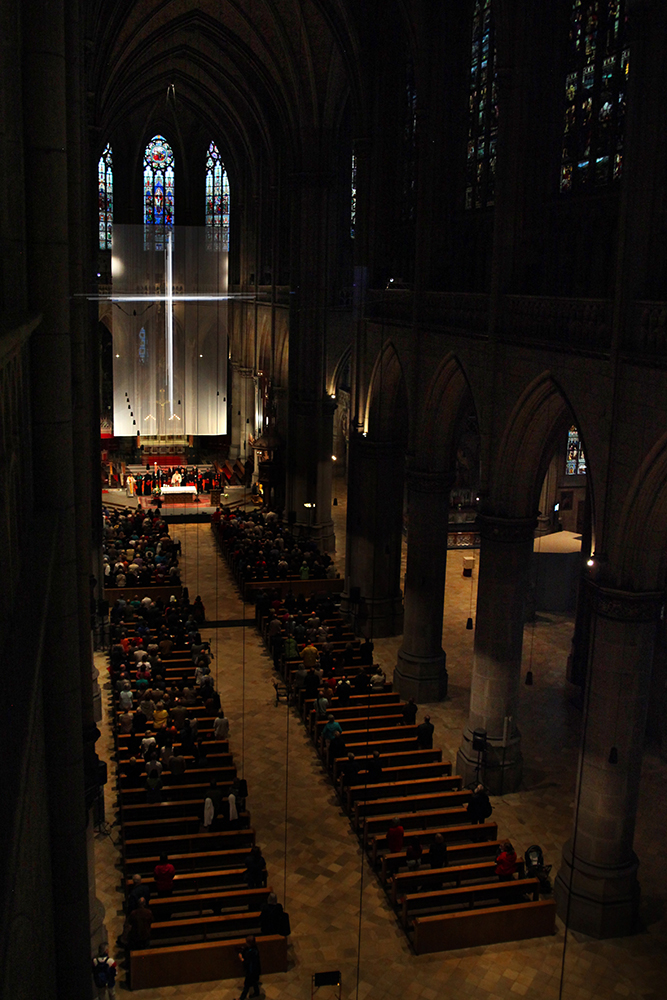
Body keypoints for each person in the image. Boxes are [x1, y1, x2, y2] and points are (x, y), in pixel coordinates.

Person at [236, 935, 261, 1000]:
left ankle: (241, 998)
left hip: (251, 971)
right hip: (255, 970)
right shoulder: (255, 949)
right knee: (254, 982)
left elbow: (246, 961)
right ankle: (257, 992)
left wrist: (241, 958)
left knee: (246, 985)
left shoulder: (251, 952)